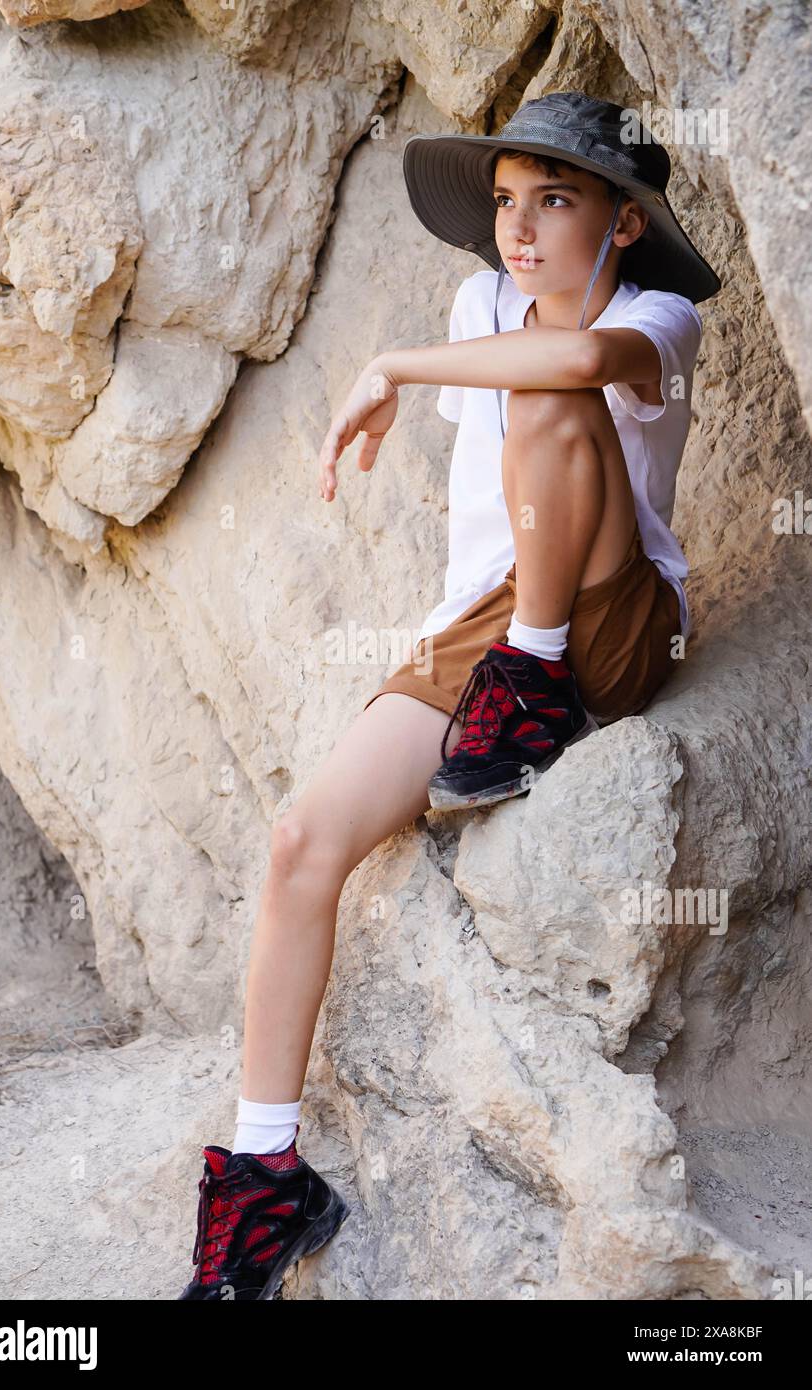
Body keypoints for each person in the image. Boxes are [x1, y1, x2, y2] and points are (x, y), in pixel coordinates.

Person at [177, 90, 721, 1300]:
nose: (517, 232)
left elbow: (574, 366)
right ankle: (267, 1181)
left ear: (623, 222)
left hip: (610, 618)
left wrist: (386, 364)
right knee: (301, 838)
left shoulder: (659, 315)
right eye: (504, 204)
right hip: (477, 626)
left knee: (544, 390)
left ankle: (532, 680)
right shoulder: (479, 300)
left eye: (554, 200)